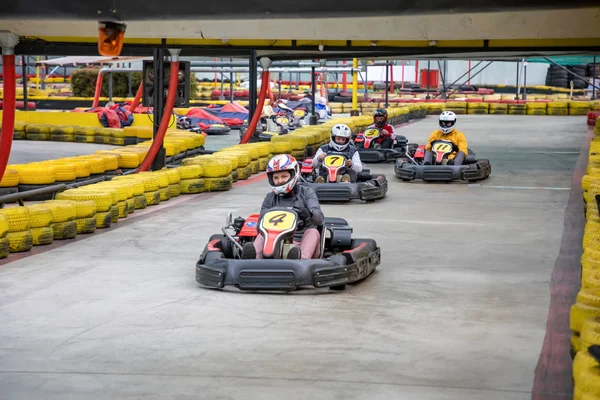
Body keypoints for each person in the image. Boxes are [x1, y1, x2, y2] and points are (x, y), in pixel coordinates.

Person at [242, 154, 324, 260]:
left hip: (300, 241)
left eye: (284, 176)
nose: (280, 181)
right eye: (276, 178)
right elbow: (260, 225)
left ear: (293, 174)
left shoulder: (307, 192)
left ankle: (300, 261)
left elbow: (320, 218)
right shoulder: (270, 198)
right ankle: (252, 261)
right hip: (274, 242)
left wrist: (309, 214)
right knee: (262, 234)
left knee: (313, 232)